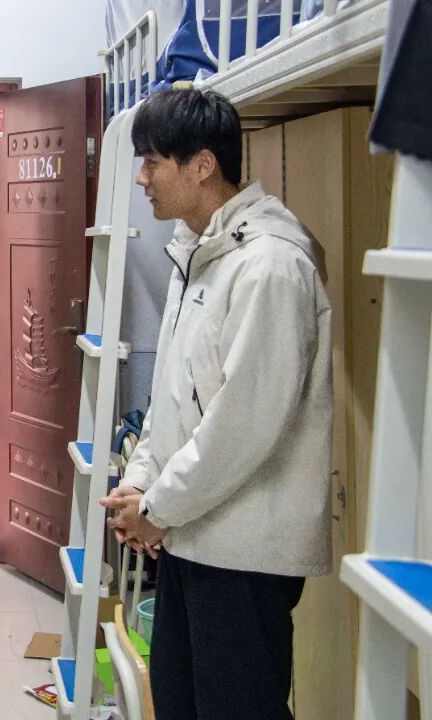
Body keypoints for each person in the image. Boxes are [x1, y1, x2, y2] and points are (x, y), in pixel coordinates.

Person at [101, 89, 332, 720]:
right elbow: (174, 390)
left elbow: (244, 424)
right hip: (191, 534)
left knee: (237, 707)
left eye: (152, 162)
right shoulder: (199, 253)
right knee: (179, 700)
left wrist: (156, 507)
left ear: (202, 165)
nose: (142, 178)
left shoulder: (270, 266)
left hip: (243, 550)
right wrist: (141, 480)